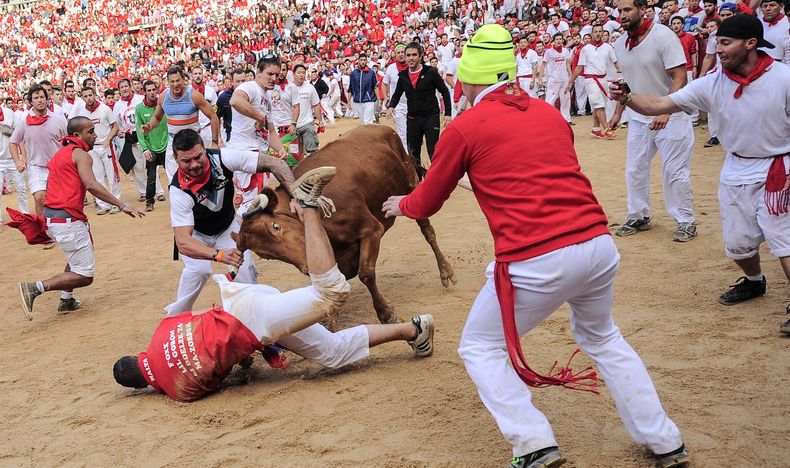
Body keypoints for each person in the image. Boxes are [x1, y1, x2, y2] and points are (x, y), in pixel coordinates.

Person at [382, 24, 688, 468]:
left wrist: (403, 204)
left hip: (537, 255)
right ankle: (664, 440)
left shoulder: (467, 125)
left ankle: (533, 441)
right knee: (603, 336)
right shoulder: (548, 112)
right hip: (596, 242)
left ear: (471, 78)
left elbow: (429, 198)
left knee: (480, 347)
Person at [112, 166, 435, 403]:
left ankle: (307, 208)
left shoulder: (178, 389)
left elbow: (220, 375)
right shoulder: (161, 332)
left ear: (144, 386)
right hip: (239, 301)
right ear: (137, 356)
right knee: (331, 352)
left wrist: (249, 356)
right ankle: (414, 330)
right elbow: (194, 319)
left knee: (332, 293)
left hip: (254, 323)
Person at [609, 14, 790, 335]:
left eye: (724, 43)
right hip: (736, 166)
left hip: (779, 168)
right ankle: (753, 281)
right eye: (716, 42)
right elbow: (661, 103)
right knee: (737, 244)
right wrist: (628, 97)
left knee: (785, 241)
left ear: (750, 44)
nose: (717, 49)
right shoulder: (713, 83)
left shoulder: (783, 78)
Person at [17, 116, 144, 320]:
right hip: (68, 220)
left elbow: (51, 187)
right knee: (85, 275)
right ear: (77, 135)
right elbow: (92, 185)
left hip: (55, 219)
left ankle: (66, 299)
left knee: (75, 259)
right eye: (91, 131)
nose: (95, 135)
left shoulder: (60, 154)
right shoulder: (81, 155)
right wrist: (121, 204)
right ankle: (36, 287)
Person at [164, 128, 294, 316]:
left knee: (245, 269)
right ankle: (175, 320)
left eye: (198, 157)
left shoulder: (223, 157)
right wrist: (218, 254)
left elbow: (274, 163)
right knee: (198, 272)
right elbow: (183, 242)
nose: (194, 165)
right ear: (176, 159)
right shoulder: (178, 190)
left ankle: (256, 319)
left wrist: (296, 195)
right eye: (186, 161)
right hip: (197, 235)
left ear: (205, 149)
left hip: (226, 227)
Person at [607, 0, 698, 242]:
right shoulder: (619, 43)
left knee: (675, 171)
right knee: (634, 168)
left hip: (673, 116)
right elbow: (626, 82)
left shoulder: (663, 36)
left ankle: (685, 220)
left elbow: (680, 75)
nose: (623, 15)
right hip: (638, 116)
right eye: (619, 11)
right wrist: (618, 112)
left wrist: (666, 110)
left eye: (627, 10)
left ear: (641, 9)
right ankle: (639, 215)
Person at [229, 55, 292, 213]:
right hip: (245, 153)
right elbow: (235, 101)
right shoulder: (250, 87)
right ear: (258, 72)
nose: (273, 78)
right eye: (269, 74)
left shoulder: (267, 96)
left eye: (276, 75)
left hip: (256, 154)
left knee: (256, 201)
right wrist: (258, 117)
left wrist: (280, 149)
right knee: (251, 205)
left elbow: (270, 131)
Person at [140, 66, 220, 180]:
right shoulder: (163, 97)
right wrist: (149, 126)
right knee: (173, 178)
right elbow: (157, 117)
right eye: (172, 81)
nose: (175, 84)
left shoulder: (194, 95)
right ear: (167, 82)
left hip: (193, 141)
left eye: (178, 80)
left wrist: (215, 142)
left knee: (198, 173)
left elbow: (213, 116)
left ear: (183, 80)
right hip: (173, 141)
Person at [387, 42, 451, 180]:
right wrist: (391, 106)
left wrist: (448, 113)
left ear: (421, 56)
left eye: (414, 55)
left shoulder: (431, 72)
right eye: (408, 55)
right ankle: (418, 180)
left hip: (430, 116)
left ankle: (437, 179)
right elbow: (397, 93)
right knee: (413, 152)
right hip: (413, 118)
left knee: (433, 150)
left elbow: (444, 91)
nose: (410, 58)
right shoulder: (403, 75)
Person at [9, 84, 67, 221]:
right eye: (36, 98)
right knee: (40, 197)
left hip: (57, 167)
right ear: (30, 102)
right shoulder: (24, 122)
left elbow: (68, 141)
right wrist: (18, 161)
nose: (40, 100)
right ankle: (44, 230)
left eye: (42, 97)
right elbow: (12, 142)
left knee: (59, 200)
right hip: (36, 167)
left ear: (47, 99)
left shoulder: (58, 120)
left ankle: (59, 225)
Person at [70, 87, 122, 215]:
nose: (88, 98)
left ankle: (116, 202)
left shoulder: (105, 108)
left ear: (94, 95)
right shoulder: (81, 112)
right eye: (85, 96)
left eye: (90, 95)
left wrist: (108, 139)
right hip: (90, 148)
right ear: (82, 97)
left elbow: (115, 126)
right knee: (97, 176)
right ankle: (103, 204)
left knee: (112, 175)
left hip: (106, 145)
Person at [567, 25, 621, 139]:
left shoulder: (608, 47)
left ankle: (596, 128)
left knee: (600, 105)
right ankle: (607, 129)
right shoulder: (585, 49)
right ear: (592, 33)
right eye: (595, 31)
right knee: (598, 104)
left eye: (600, 31)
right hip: (590, 79)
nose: (597, 33)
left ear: (603, 33)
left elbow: (616, 63)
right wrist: (571, 82)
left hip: (603, 79)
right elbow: (579, 67)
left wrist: (621, 72)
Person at [113, 78, 151, 202]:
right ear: (119, 90)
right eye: (121, 87)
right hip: (131, 139)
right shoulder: (118, 106)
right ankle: (143, 192)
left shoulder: (140, 99)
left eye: (126, 86)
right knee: (137, 167)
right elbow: (117, 124)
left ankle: (157, 191)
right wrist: (119, 132)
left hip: (146, 136)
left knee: (152, 164)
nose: (124, 89)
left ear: (130, 87)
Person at [136, 80, 169, 212]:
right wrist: (145, 148)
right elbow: (140, 130)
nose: (151, 93)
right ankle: (150, 202)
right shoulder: (139, 109)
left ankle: (180, 198)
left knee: (173, 174)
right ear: (144, 92)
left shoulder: (163, 104)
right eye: (148, 90)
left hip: (166, 145)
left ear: (157, 90)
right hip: (151, 148)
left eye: (153, 90)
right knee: (151, 177)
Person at [0, 99, 28, 216]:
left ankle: (25, 214)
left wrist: (23, 157)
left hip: (13, 159)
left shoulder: (9, 112)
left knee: (21, 188)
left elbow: (20, 134)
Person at [539, 33, 573, 124]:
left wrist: (571, 77)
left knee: (565, 99)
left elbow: (567, 64)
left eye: (560, 39)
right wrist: (540, 79)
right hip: (553, 79)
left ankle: (567, 119)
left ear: (562, 40)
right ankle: (548, 118)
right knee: (550, 99)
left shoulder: (566, 51)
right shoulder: (549, 52)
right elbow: (543, 65)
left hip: (564, 78)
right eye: (556, 39)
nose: (558, 41)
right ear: (553, 41)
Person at [291, 64, 323, 157]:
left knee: (313, 151)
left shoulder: (310, 87)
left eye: (303, 73)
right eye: (299, 72)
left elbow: (316, 104)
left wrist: (320, 121)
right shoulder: (289, 87)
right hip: (292, 125)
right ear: (293, 74)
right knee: (295, 153)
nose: (301, 75)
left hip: (307, 123)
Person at [382, 43, 410, 151]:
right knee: (402, 133)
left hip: (413, 104)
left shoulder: (412, 65)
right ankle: (407, 157)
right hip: (398, 106)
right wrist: (386, 97)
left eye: (403, 52)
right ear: (395, 54)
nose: (401, 54)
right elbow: (384, 83)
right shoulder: (391, 68)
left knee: (412, 131)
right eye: (398, 52)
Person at [190, 66, 219, 148]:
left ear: (203, 75)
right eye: (195, 74)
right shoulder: (187, 92)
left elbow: (215, 111)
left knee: (210, 155)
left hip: (208, 128)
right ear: (191, 76)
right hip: (193, 129)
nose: (198, 76)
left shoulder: (210, 91)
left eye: (199, 73)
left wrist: (217, 138)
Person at [348, 54, 379, 124]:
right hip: (358, 101)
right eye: (361, 60)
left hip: (369, 100)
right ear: (358, 61)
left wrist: (379, 100)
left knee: (367, 122)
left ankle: (369, 134)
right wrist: (348, 101)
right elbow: (350, 88)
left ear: (366, 61)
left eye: (364, 60)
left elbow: (375, 87)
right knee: (362, 122)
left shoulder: (371, 73)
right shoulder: (353, 73)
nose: (363, 62)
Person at [759, 0, 790, 64]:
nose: (768, 9)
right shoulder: (756, 23)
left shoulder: (788, 24)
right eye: (765, 6)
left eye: (772, 5)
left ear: (781, 6)